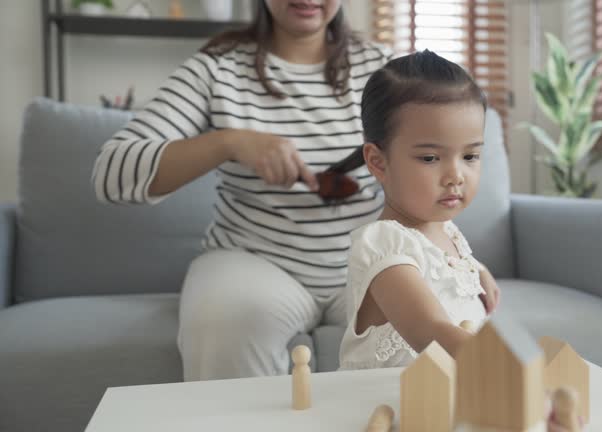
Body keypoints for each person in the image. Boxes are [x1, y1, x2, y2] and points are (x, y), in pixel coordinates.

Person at [91, 0, 391, 381]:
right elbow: (111, 172)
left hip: (368, 261)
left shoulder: (380, 68)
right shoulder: (218, 67)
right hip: (253, 259)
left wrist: (450, 256)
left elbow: (434, 161)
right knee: (224, 323)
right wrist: (228, 142)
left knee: (441, 312)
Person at [337, 50, 502, 370]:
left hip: (443, 398)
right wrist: (506, 365)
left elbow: (437, 264)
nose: (456, 175)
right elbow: (431, 330)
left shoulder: (445, 228)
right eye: (430, 158)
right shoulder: (381, 245)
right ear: (378, 162)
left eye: (470, 156)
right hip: (381, 405)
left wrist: (475, 268)